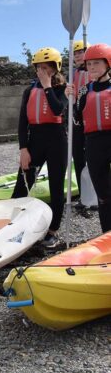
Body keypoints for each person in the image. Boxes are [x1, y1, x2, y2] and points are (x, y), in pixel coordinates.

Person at [11, 48, 69, 247]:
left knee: (56, 187)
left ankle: (53, 231)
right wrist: (23, 149)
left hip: (57, 140)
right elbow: (22, 123)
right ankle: (11, 224)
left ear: (55, 69)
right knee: (22, 184)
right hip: (34, 140)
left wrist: (47, 87)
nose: (41, 71)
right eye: (38, 68)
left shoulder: (62, 89)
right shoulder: (29, 91)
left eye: (46, 68)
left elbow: (58, 109)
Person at [68, 43, 111, 232]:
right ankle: (107, 235)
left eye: (96, 63)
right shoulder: (85, 90)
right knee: (103, 195)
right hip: (94, 143)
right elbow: (77, 118)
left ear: (108, 64)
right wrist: (70, 101)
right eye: (89, 64)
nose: (91, 67)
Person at [69, 41, 91, 207]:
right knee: (78, 157)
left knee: (95, 158)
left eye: (80, 52)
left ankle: (97, 195)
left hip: (91, 122)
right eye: (75, 53)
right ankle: (84, 197)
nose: (77, 55)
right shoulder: (72, 73)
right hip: (76, 121)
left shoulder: (96, 72)